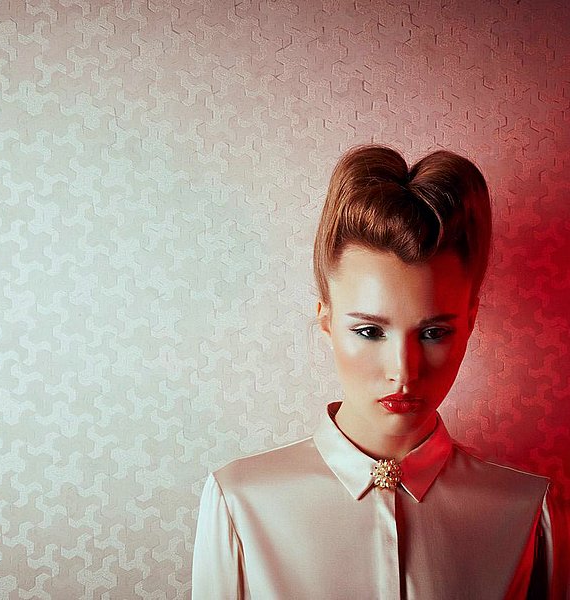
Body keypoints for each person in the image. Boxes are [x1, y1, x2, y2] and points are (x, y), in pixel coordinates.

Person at [190, 145, 565, 599]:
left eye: (433, 333)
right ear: (326, 321)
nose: (403, 371)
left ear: (470, 322)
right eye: (369, 331)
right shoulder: (240, 501)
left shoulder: (528, 509)